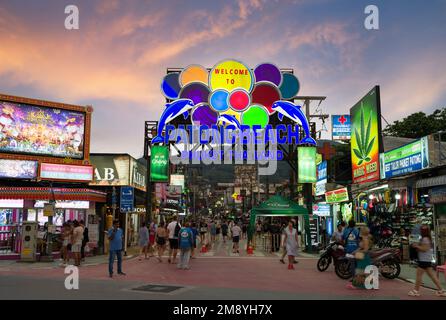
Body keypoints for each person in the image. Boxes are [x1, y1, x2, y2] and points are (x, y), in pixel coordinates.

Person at [408, 225, 446, 297]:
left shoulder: (425, 239)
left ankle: (416, 291)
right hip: (426, 260)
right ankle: (441, 290)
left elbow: (425, 249)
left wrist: (416, 246)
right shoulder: (426, 238)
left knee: (419, 276)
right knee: (432, 276)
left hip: (424, 261)